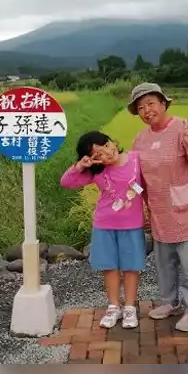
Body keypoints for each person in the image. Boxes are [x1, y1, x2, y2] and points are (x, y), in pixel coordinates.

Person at [127, 82, 188, 332]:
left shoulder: (182, 128)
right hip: (159, 211)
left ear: (164, 103)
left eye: (151, 103)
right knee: (164, 262)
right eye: (141, 107)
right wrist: (132, 201)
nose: (147, 110)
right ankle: (169, 302)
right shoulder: (140, 139)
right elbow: (136, 178)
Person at [60, 131, 146, 329]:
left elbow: (151, 185)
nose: (107, 152)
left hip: (132, 224)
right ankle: (114, 306)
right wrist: (80, 166)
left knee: (132, 267)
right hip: (104, 224)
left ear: (112, 141)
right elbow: (66, 182)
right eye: (98, 154)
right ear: (93, 159)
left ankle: (130, 307)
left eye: (106, 145)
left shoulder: (135, 159)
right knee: (110, 267)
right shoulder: (96, 172)